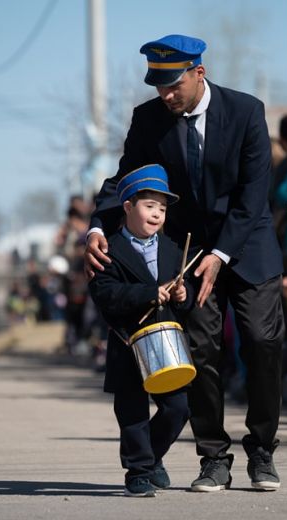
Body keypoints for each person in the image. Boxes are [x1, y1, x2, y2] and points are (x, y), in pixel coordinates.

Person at [85, 34, 285, 491]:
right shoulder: (148, 119)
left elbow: (254, 196)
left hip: (247, 246)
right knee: (200, 352)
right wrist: (97, 226)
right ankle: (213, 456)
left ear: (200, 72)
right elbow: (124, 180)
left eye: (173, 85)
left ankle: (262, 450)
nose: (165, 95)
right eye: (158, 86)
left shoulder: (246, 111)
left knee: (261, 343)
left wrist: (221, 254)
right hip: (187, 254)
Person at [89, 164, 192, 498]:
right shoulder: (109, 250)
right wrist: (148, 293)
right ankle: (138, 471)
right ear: (128, 207)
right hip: (127, 343)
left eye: (162, 209)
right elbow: (104, 295)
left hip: (166, 343)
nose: (157, 214)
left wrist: (182, 293)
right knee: (132, 411)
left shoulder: (173, 249)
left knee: (178, 408)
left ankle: (151, 456)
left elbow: (184, 291)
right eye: (149, 206)